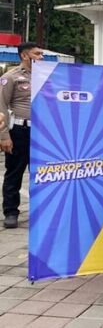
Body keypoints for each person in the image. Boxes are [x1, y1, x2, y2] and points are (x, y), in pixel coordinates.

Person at [0, 43, 44, 229]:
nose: (41, 57)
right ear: (25, 56)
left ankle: (42, 211)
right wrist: (4, 136)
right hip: (20, 132)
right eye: (37, 54)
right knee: (14, 172)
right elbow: (1, 106)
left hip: (43, 134)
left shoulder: (47, 76)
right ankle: (11, 212)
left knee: (43, 174)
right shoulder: (10, 78)